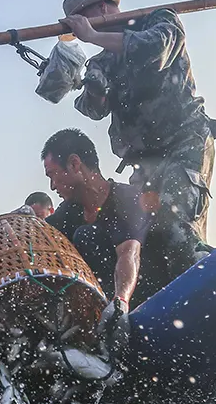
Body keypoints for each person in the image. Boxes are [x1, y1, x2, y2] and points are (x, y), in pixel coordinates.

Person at [60, 0, 216, 283]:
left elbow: (155, 49)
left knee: (177, 230)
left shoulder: (159, 21)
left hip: (184, 143)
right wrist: (94, 88)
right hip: (144, 161)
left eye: (85, 21)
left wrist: (92, 35)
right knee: (145, 238)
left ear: (103, 8)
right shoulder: (102, 61)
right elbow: (92, 108)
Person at [41, 129, 154, 360]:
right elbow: (40, 234)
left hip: (136, 303)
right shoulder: (69, 212)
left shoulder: (127, 198)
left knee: (86, 235)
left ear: (74, 164)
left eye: (52, 175)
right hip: (92, 316)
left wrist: (120, 302)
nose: (52, 186)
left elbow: (129, 254)